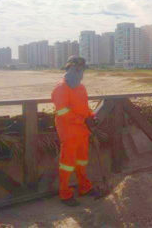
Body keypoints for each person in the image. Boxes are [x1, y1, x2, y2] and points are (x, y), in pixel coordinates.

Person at [51, 56, 98, 206]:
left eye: (82, 70)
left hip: (82, 132)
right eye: (79, 69)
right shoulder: (60, 87)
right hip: (69, 132)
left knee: (82, 161)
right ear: (72, 68)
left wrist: (91, 116)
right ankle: (65, 194)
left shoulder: (81, 87)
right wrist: (82, 120)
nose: (81, 73)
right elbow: (62, 112)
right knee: (67, 164)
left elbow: (84, 108)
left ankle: (84, 187)